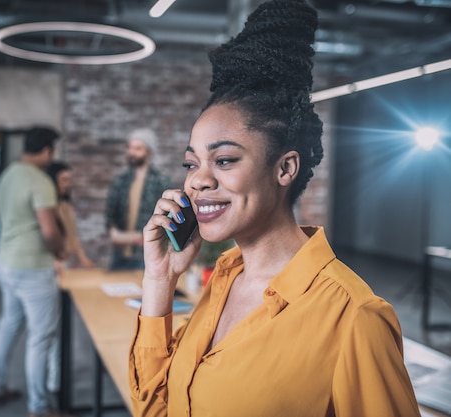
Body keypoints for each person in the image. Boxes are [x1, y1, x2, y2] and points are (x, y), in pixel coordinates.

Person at [128, 1, 421, 416]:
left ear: (285, 168)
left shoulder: (354, 317)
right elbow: (157, 408)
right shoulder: (225, 279)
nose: (197, 180)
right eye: (191, 163)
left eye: (224, 160)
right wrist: (159, 281)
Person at [0, 126, 69, 417]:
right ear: (47, 150)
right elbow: (48, 230)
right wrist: (60, 249)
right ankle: (40, 407)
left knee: (8, 326)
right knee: (41, 337)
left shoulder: (7, 176)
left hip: (5, 262)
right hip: (32, 267)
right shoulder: (40, 181)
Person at [105, 128, 172, 270]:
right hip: (119, 255)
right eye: (130, 148)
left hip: (146, 255)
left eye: (137, 148)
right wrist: (117, 234)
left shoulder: (161, 182)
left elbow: (168, 217)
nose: (131, 152)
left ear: (149, 151)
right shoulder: (121, 181)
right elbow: (111, 215)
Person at [46, 161, 97, 271]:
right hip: (51, 264)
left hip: (65, 262)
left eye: (69, 180)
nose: (68, 184)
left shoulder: (65, 206)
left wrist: (83, 258)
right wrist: (54, 262)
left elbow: (72, 234)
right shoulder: (46, 208)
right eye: (64, 180)